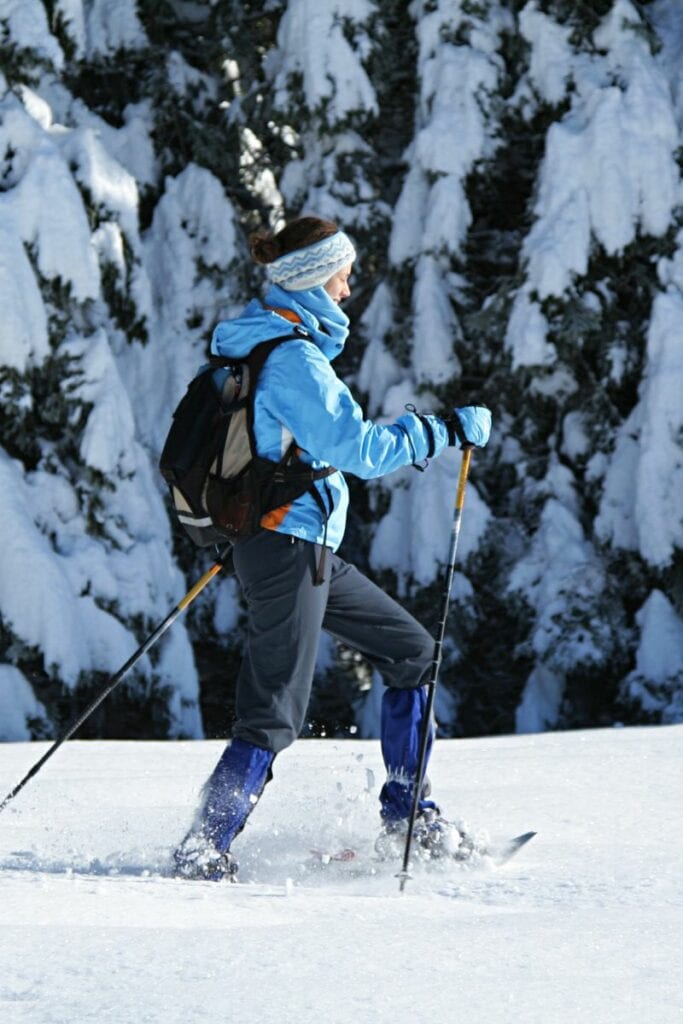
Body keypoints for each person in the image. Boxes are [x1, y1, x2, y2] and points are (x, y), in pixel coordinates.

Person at [173, 216, 491, 880]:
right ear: (314, 280)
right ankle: (204, 848)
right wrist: (442, 430)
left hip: (299, 544)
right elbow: (359, 452)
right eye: (342, 276)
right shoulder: (290, 358)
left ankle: (408, 814)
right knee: (272, 712)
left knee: (411, 652)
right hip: (287, 547)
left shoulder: (262, 347)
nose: (347, 290)